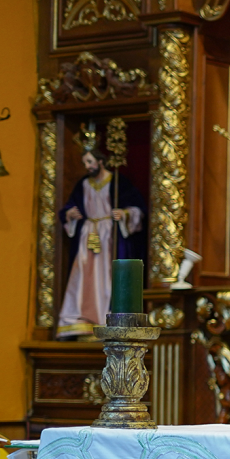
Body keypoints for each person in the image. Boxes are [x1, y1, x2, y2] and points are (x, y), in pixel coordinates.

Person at [56, 145, 146, 339]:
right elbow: (69, 208)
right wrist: (70, 214)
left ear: (100, 162)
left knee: (106, 277)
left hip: (110, 236)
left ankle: (107, 320)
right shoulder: (83, 184)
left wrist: (125, 213)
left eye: (89, 162)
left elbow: (138, 209)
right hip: (88, 235)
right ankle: (81, 321)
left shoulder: (117, 182)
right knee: (83, 276)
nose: (87, 166)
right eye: (84, 163)